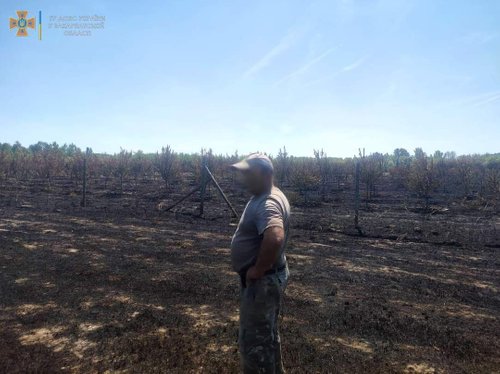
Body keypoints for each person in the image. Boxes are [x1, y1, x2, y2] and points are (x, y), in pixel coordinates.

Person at [230, 153, 291, 374]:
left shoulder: (268, 202)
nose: (243, 178)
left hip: (262, 284)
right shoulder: (269, 195)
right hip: (268, 279)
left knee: (254, 346)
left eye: (248, 173)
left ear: (266, 174)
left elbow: (275, 236)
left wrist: (257, 270)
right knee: (269, 338)